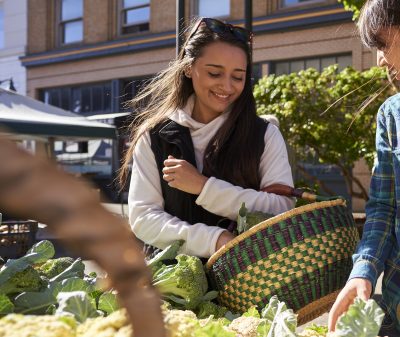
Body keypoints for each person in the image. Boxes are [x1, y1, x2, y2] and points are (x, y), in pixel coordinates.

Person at [119, 17, 295, 259]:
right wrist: (215, 240)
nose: (227, 86)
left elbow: (282, 208)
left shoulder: (266, 134)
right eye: (215, 73)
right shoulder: (153, 136)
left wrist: (204, 187)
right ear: (188, 68)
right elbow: (143, 218)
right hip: (173, 287)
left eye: (238, 76)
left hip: (250, 281)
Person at [328, 1, 400, 336]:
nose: (381, 59)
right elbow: (383, 208)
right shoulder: (390, 116)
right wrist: (364, 270)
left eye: (384, 44)